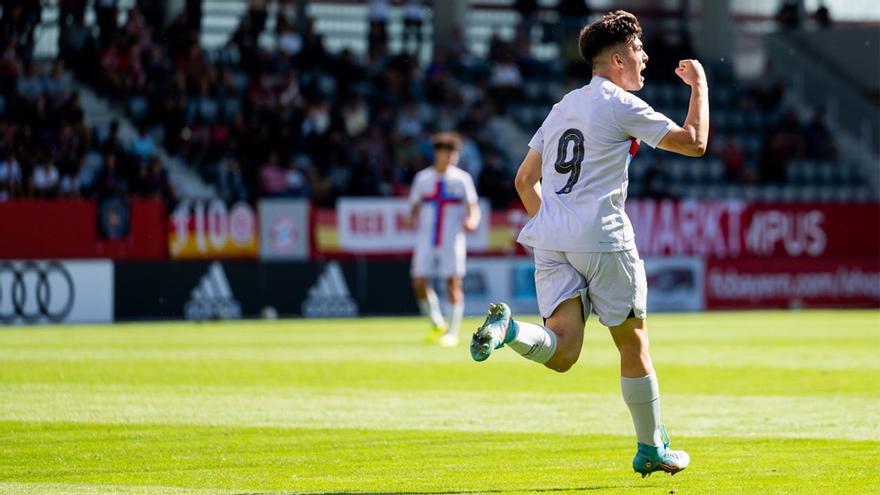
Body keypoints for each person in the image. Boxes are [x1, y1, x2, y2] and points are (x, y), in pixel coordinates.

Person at [469, 10, 708, 477]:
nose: (645, 58)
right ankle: (651, 449)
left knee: (562, 354)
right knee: (633, 345)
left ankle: (509, 331)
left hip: (553, 238)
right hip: (603, 238)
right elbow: (695, 143)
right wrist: (699, 85)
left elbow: (523, 181)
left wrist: (559, 224)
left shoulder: (562, 106)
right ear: (617, 59)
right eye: (639, 51)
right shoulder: (618, 103)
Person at [409, 132, 480, 348]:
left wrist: (472, 221)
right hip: (427, 239)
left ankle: (453, 332)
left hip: (452, 238)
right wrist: (411, 218)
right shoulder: (423, 179)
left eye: (454, 153)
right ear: (437, 154)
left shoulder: (462, 179)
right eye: (447, 152)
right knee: (419, 281)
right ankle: (437, 322)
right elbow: (414, 206)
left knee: (452, 282)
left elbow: (473, 207)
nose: (451, 157)